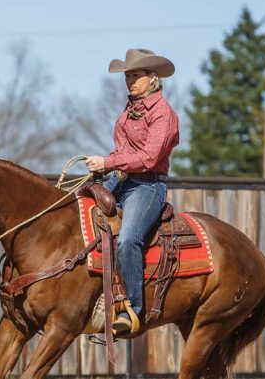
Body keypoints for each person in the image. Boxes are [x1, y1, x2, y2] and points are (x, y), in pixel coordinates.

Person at [85, 48, 179, 334]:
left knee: (127, 240)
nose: (130, 81)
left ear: (153, 79)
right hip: (122, 178)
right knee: (76, 209)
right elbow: (124, 152)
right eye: (127, 76)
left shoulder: (164, 115)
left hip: (148, 185)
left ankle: (132, 310)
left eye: (136, 75)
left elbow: (149, 158)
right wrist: (104, 169)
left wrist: (108, 162)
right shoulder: (129, 111)